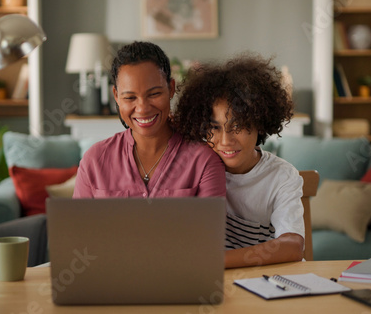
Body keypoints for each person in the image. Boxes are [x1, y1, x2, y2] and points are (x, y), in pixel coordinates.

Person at [173, 53, 304, 268]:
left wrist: (216, 261)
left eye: (238, 126)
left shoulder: (281, 176)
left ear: (260, 123)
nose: (225, 141)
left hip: (267, 283)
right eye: (214, 128)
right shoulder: (196, 168)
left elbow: (293, 245)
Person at [73, 41, 226, 199]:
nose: (142, 108)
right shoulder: (94, 160)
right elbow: (77, 223)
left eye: (154, 94)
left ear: (171, 88)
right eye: (130, 97)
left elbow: (210, 223)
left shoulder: (203, 160)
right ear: (116, 96)